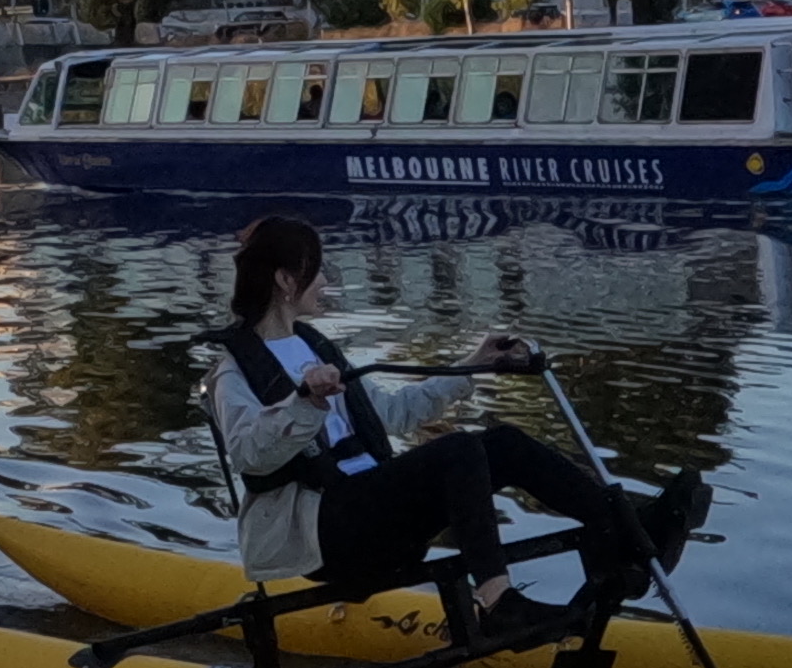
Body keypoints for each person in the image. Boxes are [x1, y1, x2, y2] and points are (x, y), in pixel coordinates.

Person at [204, 214, 700, 638]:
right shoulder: (233, 371)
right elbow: (250, 455)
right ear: (286, 281)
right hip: (322, 539)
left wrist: (474, 366)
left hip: (367, 512)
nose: (325, 283)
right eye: (317, 272)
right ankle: (498, 602)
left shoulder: (315, 346)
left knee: (500, 443)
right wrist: (304, 402)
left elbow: (395, 414)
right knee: (458, 451)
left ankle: (626, 529)